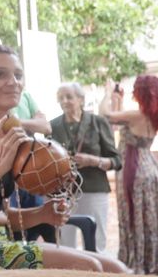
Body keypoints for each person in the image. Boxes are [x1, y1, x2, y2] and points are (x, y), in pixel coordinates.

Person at [0, 47, 128, 273]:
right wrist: (1, 167)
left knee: (116, 269)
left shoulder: (10, 134)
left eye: (18, 75)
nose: (13, 81)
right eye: (0, 74)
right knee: (88, 266)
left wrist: (43, 214)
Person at [104, 75, 158, 277]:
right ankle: (155, 257)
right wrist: (118, 99)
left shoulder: (137, 115)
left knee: (135, 215)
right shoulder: (152, 116)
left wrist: (107, 94)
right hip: (149, 166)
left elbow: (106, 116)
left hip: (132, 168)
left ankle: (139, 258)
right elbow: (117, 123)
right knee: (150, 216)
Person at [49, 82, 121, 254]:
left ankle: (98, 276)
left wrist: (93, 160)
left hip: (94, 188)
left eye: (69, 97)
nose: (64, 101)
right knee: (65, 242)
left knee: (96, 240)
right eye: (61, 98)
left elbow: (117, 160)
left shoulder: (97, 123)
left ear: (81, 99)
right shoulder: (53, 126)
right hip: (64, 192)